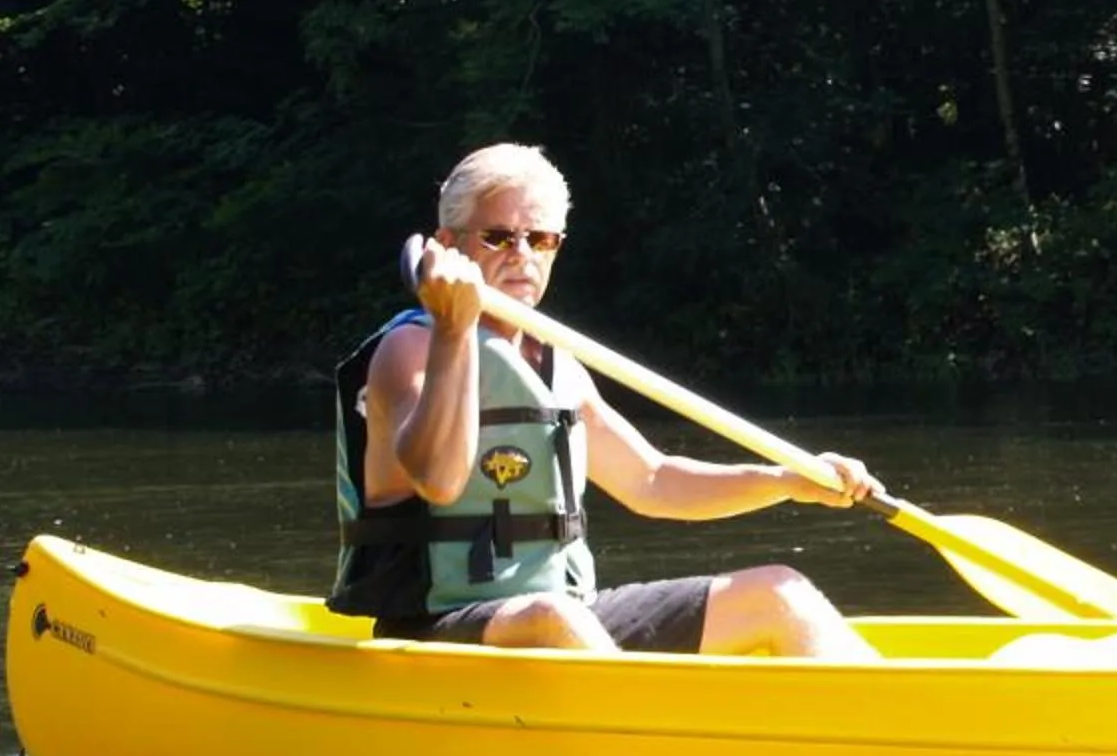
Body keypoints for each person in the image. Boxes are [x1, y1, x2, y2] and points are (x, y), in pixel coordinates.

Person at [329, 142, 880, 658]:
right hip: (438, 624)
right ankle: (644, 721)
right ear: (449, 246)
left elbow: (652, 481)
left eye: (541, 239)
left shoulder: (556, 363)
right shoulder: (411, 349)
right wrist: (454, 332)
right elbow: (440, 480)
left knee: (781, 593)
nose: (522, 255)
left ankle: (887, 717)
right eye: (498, 237)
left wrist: (788, 481)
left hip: (565, 613)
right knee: (552, 617)